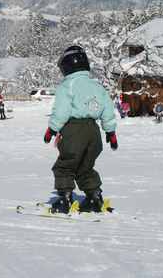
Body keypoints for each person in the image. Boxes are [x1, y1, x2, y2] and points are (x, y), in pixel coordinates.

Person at [43, 45, 117, 214]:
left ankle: (65, 199)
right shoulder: (97, 86)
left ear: (66, 66)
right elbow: (108, 109)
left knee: (65, 166)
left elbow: (61, 111)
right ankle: (94, 197)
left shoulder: (67, 85)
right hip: (94, 132)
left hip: (74, 130)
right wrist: (111, 132)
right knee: (85, 166)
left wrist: (52, 129)